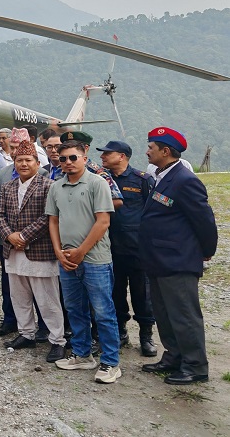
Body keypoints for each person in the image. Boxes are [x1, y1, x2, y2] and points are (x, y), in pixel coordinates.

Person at [140, 127, 217, 385]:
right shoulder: (162, 177)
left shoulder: (185, 180)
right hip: (158, 260)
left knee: (184, 315)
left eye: (151, 147)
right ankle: (174, 356)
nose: (147, 151)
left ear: (165, 151)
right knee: (164, 314)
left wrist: (206, 251)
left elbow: (204, 221)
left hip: (177, 260)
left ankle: (195, 366)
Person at [46, 140, 120, 384]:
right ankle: (82, 354)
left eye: (73, 158)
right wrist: (58, 251)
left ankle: (111, 362)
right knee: (75, 309)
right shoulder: (56, 187)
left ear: (84, 159)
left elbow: (103, 222)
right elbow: (53, 220)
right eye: (63, 159)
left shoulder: (97, 183)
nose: (68, 162)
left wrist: (81, 251)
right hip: (67, 259)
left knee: (103, 311)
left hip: (95, 259)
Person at [0, 140, 66, 363]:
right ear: (14, 163)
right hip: (13, 250)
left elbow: (48, 217)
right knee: (19, 296)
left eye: (28, 160)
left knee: (47, 299)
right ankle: (26, 333)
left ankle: (57, 340)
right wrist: (9, 236)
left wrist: (23, 236)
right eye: (19, 160)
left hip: (39, 251)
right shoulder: (8, 187)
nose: (23, 164)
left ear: (37, 162)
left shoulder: (49, 185)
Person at [96, 140, 156, 356]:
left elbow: (154, 213)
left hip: (137, 248)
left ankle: (146, 335)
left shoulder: (142, 180)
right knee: (115, 292)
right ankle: (121, 332)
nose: (102, 157)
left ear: (122, 156)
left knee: (142, 293)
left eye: (107, 153)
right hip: (110, 247)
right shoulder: (101, 179)